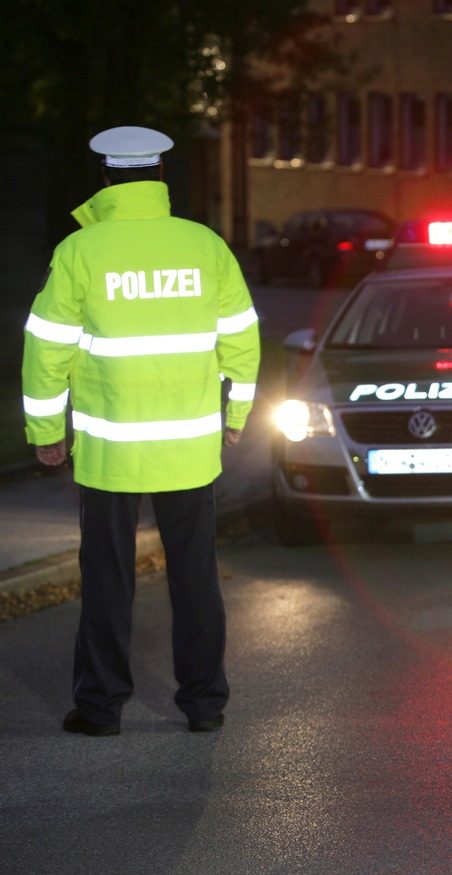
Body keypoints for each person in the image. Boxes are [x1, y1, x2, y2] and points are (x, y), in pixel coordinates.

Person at [22, 126, 261, 736]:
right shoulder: (204, 245)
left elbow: (46, 350)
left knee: (107, 579)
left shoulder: (82, 252)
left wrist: (47, 430)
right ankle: (205, 705)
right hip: (188, 448)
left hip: (111, 452)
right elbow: (243, 339)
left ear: (106, 180)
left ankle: (100, 708)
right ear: (160, 178)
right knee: (195, 578)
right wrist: (234, 418)